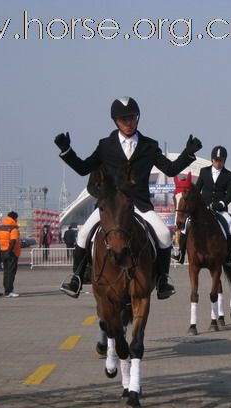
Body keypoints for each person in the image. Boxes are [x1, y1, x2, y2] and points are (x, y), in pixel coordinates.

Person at [54, 96, 202, 299]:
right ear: (115, 121)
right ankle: (76, 278)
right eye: (124, 120)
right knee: (83, 234)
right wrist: (67, 151)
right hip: (112, 205)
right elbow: (83, 168)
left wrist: (188, 153)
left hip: (139, 203)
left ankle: (162, 280)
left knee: (165, 235)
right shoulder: (105, 145)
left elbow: (170, 168)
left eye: (132, 118)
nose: (129, 123)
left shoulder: (149, 146)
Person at [177, 145, 231, 265]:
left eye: (221, 161)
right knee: (186, 225)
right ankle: (180, 252)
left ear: (224, 161)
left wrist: (221, 203)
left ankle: (229, 254)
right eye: (216, 160)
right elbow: (197, 189)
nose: (218, 163)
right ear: (212, 160)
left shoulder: (228, 175)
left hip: (220, 210)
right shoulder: (204, 171)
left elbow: (230, 194)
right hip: (203, 208)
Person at [0, 211, 20, 297]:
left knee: (6, 272)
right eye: (16, 218)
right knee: (11, 272)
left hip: (2, 252)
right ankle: (9, 291)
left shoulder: (0, 228)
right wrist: (9, 252)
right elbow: (13, 241)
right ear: (14, 218)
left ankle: (6, 290)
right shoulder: (13, 229)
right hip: (12, 253)